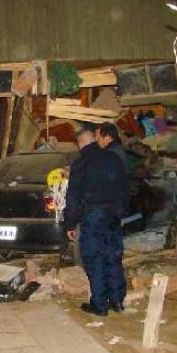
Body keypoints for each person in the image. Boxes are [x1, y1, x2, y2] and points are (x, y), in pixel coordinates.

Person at [64, 126, 129, 316]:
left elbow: (73, 198)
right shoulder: (114, 159)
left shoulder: (80, 164)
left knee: (95, 259)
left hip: (93, 216)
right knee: (113, 257)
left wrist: (70, 223)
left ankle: (99, 305)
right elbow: (125, 188)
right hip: (113, 215)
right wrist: (121, 212)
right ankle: (117, 302)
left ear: (81, 143)